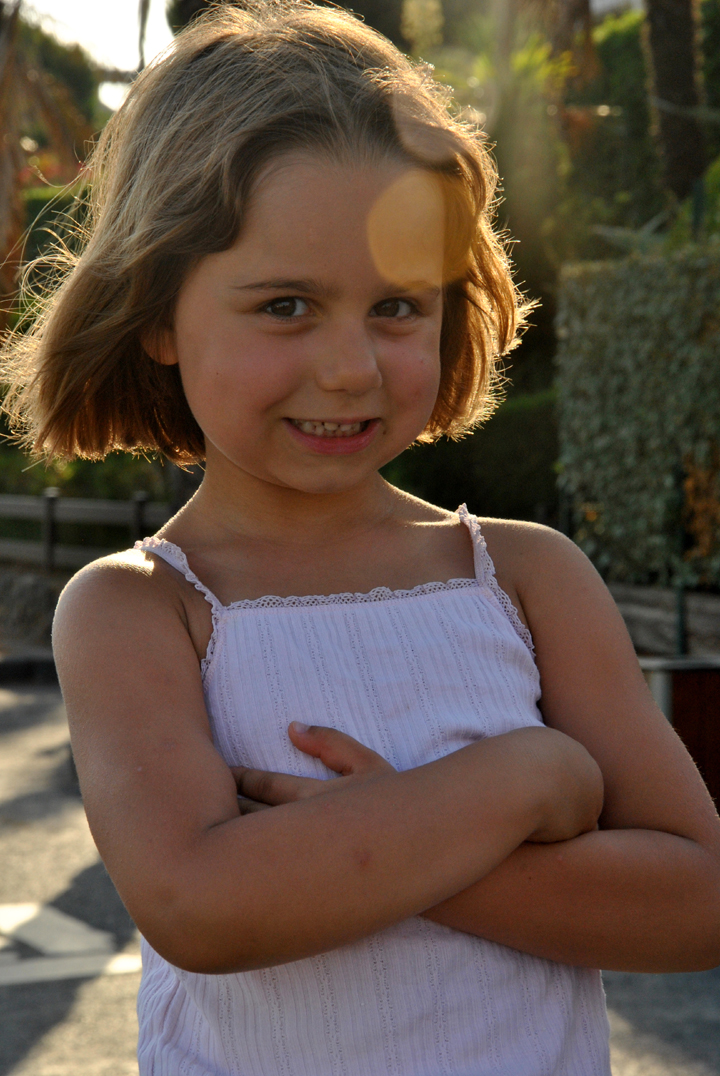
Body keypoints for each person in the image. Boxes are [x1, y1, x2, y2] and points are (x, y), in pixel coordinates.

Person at [3, 2, 720, 1073]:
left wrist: (371, 841)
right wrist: (515, 782)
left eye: (397, 307)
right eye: (286, 305)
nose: (351, 368)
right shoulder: (140, 608)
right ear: (156, 312)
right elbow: (203, 905)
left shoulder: (528, 576)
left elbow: (698, 900)